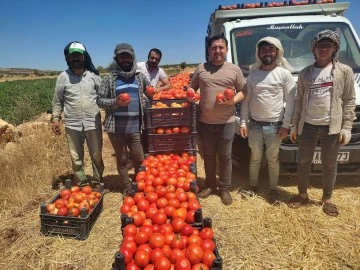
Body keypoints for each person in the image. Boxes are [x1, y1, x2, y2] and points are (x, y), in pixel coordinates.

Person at [289, 30, 356, 216]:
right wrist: (294, 125)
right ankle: (302, 195)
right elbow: (299, 101)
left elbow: (350, 99)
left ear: (335, 48)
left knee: (329, 164)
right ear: (314, 49)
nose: (323, 48)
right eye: (320, 45)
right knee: (303, 162)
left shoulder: (344, 71)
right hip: (308, 125)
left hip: (331, 127)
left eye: (328, 45)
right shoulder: (305, 73)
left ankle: (327, 199)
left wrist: (347, 127)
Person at [187, 35, 245, 205]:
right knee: (209, 156)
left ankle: (225, 189)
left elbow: (244, 91)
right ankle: (211, 185)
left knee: (225, 157)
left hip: (226, 122)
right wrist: (191, 95)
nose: (217, 51)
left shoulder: (234, 69)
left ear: (226, 49)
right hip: (205, 122)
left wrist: (233, 100)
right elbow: (192, 87)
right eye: (214, 48)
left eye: (221, 47)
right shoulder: (201, 68)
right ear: (209, 50)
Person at [239, 37, 296, 204]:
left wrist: (286, 125)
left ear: (277, 52)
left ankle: (273, 190)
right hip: (255, 125)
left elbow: (291, 102)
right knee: (255, 157)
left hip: (275, 126)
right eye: (263, 50)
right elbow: (246, 101)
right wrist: (243, 122)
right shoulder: (253, 75)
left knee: (272, 159)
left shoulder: (284, 74)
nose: (267, 53)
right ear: (259, 53)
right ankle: (253, 186)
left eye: (271, 49)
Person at [96, 43, 151, 195]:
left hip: (135, 128)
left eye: (127, 56)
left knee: (139, 159)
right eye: (121, 56)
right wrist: (115, 102)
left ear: (133, 57)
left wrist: (152, 93)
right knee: (122, 160)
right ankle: (127, 187)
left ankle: (140, 184)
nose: (125, 59)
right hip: (116, 129)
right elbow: (99, 100)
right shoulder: (109, 79)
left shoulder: (140, 77)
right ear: (116, 58)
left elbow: (151, 90)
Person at [51, 41, 104, 188]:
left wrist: (110, 114)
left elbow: (103, 97)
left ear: (84, 57)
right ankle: (81, 183)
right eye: (72, 55)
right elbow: (57, 101)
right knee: (76, 158)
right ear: (67, 58)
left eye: (78, 55)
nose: (75, 58)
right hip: (73, 124)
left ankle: (97, 182)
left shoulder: (93, 76)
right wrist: (56, 118)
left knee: (97, 156)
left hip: (93, 123)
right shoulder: (63, 77)